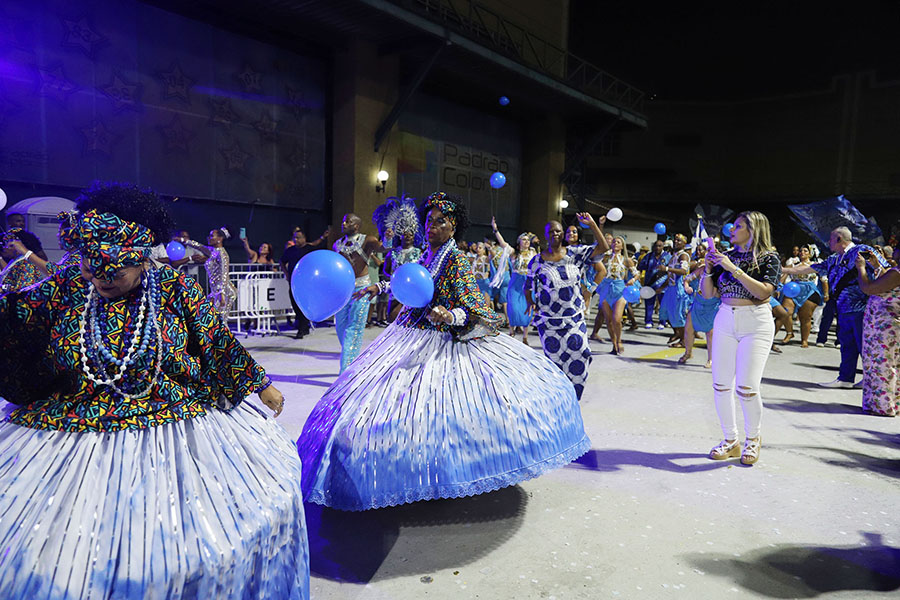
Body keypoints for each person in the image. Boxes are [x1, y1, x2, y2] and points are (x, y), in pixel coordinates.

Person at [0, 182, 308, 599]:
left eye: (114, 272)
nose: (99, 280)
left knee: (182, 548)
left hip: (171, 421)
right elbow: (17, 318)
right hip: (73, 420)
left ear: (142, 260)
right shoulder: (69, 283)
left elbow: (214, 338)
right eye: (91, 267)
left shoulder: (174, 287)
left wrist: (259, 383)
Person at [297, 192, 590, 511]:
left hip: (443, 341)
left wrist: (451, 316)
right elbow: (406, 282)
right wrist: (377, 287)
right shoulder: (426, 254)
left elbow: (476, 308)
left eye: (441, 222)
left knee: (441, 411)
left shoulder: (456, 260)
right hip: (409, 333)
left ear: (454, 227)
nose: (432, 226)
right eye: (429, 221)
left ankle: (445, 476)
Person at [702, 211, 781, 466]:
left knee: (747, 387)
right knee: (721, 385)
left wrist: (731, 268)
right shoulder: (727, 256)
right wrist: (708, 269)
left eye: (738, 226)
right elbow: (708, 294)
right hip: (725, 318)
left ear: (753, 229)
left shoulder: (769, 257)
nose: (731, 230)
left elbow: (764, 292)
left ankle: (753, 439)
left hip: (755, 322)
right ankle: (730, 440)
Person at [783, 227, 888, 387]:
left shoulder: (862, 251)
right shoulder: (833, 259)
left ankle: (872, 380)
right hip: (843, 308)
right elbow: (808, 268)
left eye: (831, 239)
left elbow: (885, 271)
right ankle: (845, 378)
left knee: (865, 345)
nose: (828, 242)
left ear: (839, 239)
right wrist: (782, 269)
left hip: (863, 308)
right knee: (846, 344)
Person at [526, 216, 609, 398]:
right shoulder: (537, 261)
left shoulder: (575, 253)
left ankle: (573, 397)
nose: (555, 233)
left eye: (558, 231)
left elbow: (603, 248)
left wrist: (593, 225)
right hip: (549, 323)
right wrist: (530, 302)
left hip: (573, 319)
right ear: (546, 235)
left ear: (562, 234)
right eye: (551, 231)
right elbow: (528, 285)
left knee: (582, 354)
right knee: (554, 362)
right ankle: (559, 398)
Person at [333, 213, 384, 372]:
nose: (344, 223)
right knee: (342, 330)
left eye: (348, 221)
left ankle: (345, 377)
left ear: (356, 225)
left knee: (353, 331)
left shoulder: (367, 240)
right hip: (343, 291)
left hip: (361, 290)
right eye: (343, 221)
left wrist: (389, 237)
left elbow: (383, 248)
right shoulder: (337, 244)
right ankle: (353, 365)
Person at [857, 247, 900, 416]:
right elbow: (883, 282)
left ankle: (883, 405)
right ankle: (891, 403)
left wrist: (861, 268)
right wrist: (876, 266)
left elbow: (868, 288)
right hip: (886, 322)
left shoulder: (896, 273)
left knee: (882, 362)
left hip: (884, 324)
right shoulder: (893, 272)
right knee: (887, 361)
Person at [373, 195, 426, 322]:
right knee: (393, 321)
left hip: (413, 291)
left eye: (411, 234)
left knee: (409, 323)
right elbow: (386, 270)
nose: (408, 236)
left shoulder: (419, 253)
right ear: (400, 236)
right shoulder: (393, 253)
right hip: (396, 290)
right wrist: (395, 276)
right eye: (405, 234)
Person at [491, 219, 536, 344]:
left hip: (528, 283)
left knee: (527, 307)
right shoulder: (513, 253)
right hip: (515, 283)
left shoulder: (533, 252)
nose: (526, 241)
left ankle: (525, 337)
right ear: (519, 242)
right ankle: (512, 332)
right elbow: (503, 243)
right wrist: (495, 230)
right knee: (513, 308)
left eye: (528, 240)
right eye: (524, 239)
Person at [280, 227, 329, 338]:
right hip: (293, 283)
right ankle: (304, 327)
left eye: (298, 238)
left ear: (304, 238)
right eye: (294, 238)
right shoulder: (290, 250)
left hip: (306, 283)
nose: (296, 240)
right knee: (295, 305)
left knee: (303, 306)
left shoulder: (309, 249)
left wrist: (323, 237)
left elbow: (316, 250)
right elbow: (282, 261)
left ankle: (301, 330)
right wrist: (286, 274)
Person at [597, 236, 639, 355]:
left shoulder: (626, 260)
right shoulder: (605, 258)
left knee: (616, 319)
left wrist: (632, 280)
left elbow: (636, 274)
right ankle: (614, 343)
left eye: (618, 242)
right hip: (606, 288)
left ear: (622, 246)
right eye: (614, 241)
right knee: (608, 320)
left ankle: (619, 341)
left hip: (620, 289)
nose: (615, 243)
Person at [679, 244, 719, 367]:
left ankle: (711, 359)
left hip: (713, 305)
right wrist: (687, 286)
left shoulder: (721, 271)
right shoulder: (702, 269)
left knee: (710, 333)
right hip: (698, 303)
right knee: (688, 328)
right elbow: (687, 279)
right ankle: (688, 352)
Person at [778, 245, 826, 348]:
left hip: (808, 290)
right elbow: (784, 275)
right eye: (801, 250)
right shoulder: (793, 264)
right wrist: (777, 286)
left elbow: (824, 279)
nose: (802, 252)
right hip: (793, 289)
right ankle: (789, 333)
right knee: (785, 312)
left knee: (806, 317)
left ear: (810, 253)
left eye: (805, 251)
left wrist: (826, 293)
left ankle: (804, 340)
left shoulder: (815, 265)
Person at [185, 227, 237, 319]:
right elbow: (199, 246)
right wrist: (184, 240)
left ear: (219, 239)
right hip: (215, 291)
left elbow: (224, 274)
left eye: (212, 236)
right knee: (209, 317)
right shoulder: (212, 251)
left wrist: (222, 293)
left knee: (219, 320)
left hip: (224, 291)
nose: (208, 237)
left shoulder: (222, 254)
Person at [659, 233, 692, 346]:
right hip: (671, 288)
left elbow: (684, 271)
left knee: (678, 315)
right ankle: (677, 333)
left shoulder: (683, 255)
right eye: (675, 240)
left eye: (679, 240)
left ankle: (683, 340)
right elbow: (670, 275)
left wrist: (667, 268)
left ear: (684, 243)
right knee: (665, 312)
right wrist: (662, 287)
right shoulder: (674, 255)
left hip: (679, 287)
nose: (676, 242)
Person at [637, 239, 670, 329]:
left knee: (663, 305)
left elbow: (670, 270)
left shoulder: (667, 257)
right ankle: (648, 321)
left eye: (659, 246)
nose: (657, 248)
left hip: (662, 285)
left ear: (663, 247)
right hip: (649, 284)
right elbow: (640, 266)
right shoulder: (648, 256)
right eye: (655, 246)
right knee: (649, 304)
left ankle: (662, 322)